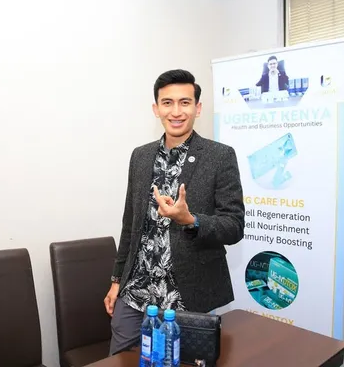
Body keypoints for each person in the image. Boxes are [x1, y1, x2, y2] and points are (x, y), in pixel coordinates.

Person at [104, 69, 245, 356]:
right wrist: (117, 281)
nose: (176, 111)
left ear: (198, 108)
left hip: (187, 296)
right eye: (167, 103)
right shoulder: (140, 156)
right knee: (119, 360)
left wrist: (191, 220)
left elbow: (234, 225)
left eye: (185, 102)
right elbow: (130, 225)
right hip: (136, 293)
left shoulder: (220, 156)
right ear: (156, 109)